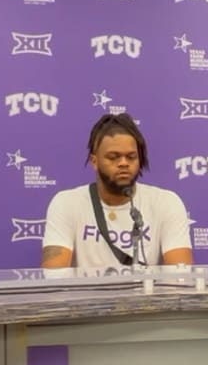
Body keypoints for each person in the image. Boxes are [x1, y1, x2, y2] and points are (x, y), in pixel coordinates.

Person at [42, 112, 193, 268]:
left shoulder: (166, 202)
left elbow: (180, 276)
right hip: (86, 293)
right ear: (95, 161)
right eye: (113, 157)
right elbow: (54, 275)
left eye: (131, 157)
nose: (123, 163)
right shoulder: (65, 203)